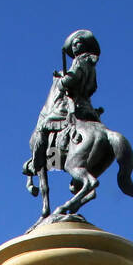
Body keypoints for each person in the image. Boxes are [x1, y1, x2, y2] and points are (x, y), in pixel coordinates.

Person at [25, 30, 104, 193]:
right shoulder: (91, 65)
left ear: (84, 46)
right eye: (74, 45)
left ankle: (37, 162)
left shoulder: (80, 61)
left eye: (78, 44)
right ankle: (53, 159)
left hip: (72, 107)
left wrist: (62, 81)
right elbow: (93, 87)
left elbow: (71, 80)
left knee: (42, 128)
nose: (75, 47)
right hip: (87, 108)